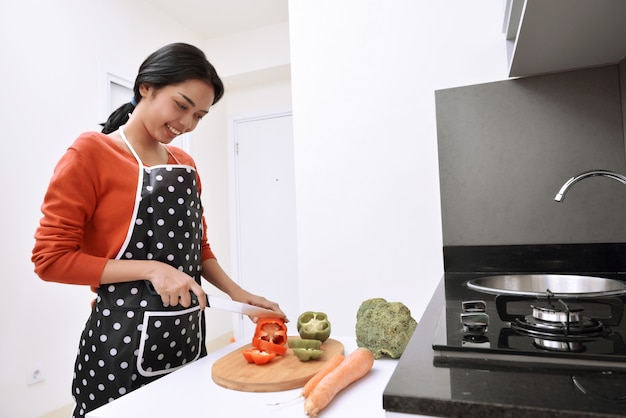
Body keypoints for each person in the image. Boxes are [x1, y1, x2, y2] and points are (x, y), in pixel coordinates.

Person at [32, 42, 286, 418]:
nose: (186, 124)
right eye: (181, 106)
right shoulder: (91, 154)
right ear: (146, 87)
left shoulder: (185, 164)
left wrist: (241, 297)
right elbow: (50, 260)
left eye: (198, 115)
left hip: (186, 335)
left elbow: (198, 249)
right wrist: (152, 269)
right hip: (118, 343)